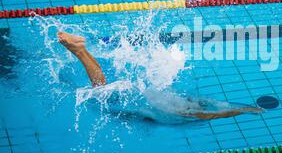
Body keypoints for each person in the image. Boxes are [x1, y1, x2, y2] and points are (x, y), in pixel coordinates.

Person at [57, 31, 262, 120]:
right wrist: (244, 111)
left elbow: (218, 108)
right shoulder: (183, 112)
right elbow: (217, 113)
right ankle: (80, 51)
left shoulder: (183, 102)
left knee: (102, 90)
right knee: (100, 91)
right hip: (137, 96)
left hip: (143, 91)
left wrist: (245, 109)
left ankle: (81, 51)